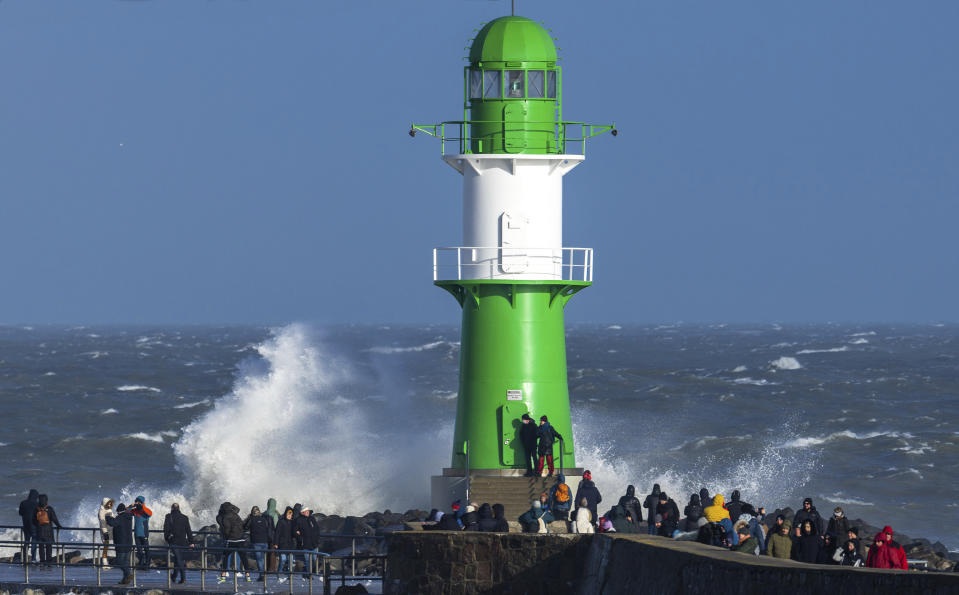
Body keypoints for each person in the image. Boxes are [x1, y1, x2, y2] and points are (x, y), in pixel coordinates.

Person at [217, 501, 250, 583]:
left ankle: (223, 576)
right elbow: (238, 509)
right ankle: (248, 576)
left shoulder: (225, 517)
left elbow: (226, 528)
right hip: (241, 539)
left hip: (231, 540)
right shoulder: (235, 514)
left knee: (225, 556)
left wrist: (227, 535)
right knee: (243, 557)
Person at [163, 503, 194, 584]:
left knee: (179, 559)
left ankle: (183, 577)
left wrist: (167, 539)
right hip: (183, 541)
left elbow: (166, 528)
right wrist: (191, 542)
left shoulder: (168, 516)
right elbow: (188, 530)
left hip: (173, 541)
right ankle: (174, 576)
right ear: (179, 508)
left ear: (172, 508)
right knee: (178, 558)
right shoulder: (184, 517)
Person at [244, 505, 274, 581]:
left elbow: (245, 527)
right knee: (263, 559)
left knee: (259, 559)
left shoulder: (251, 519)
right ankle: (263, 573)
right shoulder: (264, 519)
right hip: (265, 542)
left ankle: (262, 575)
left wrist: (248, 518)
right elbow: (268, 528)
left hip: (256, 542)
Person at [107, 503, 135, 585]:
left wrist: (107, 517)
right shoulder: (129, 517)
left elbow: (113, 523)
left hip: (121, 543)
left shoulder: (120, 517)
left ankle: (128, 573)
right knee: (125, 562)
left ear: (119, 511)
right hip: (129, 542)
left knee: (119, 561)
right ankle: (125, 580)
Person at [34, 494, 62, 569]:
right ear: (46, 500)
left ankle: (42, 562)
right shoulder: (49, 509)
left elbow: (33, 520)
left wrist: (37, 526)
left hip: (39, 531)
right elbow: (54, 519)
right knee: (49, 547)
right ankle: (49, 562)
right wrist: (59, 526)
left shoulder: (36, 509)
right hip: (48, 531)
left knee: (41, 548)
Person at [294, 506, 319, 578]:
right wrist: (300, 537)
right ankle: (309, 574)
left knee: (314, 559)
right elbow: (295, 531)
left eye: (308, 511)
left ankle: (311, 572)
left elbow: (317, 529)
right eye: (306, 511)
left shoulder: (312, 518)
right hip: (305, 543)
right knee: (308, 560)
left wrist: (317, 538)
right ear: (302, 512)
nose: (308, 512)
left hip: (314, 543)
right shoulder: (299, 520)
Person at [272, 506, 297, 576]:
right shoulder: (281, 521)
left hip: (290, 545)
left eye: (291, 514)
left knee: (291, 560)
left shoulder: (293, 523)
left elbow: (294, 533)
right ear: (286, 514)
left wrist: (297, 533)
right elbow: (277, 533)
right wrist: (276, 543)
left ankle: (290, 574)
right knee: (283, 559)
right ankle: (279, 572)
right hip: (282, 544)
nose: (289, 516)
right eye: (288, 514)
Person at [18, 489, 40, 565]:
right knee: (34, 542)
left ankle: (24, 558)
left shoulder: (23, 503)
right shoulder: (37, 504)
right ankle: (33, 559)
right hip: (34, 526)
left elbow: (20, 513)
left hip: (26, 525)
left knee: (26, 541)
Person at [130, 496, 153, 569]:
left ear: (142, 502)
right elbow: (126, 511)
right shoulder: (135, 511)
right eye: (136, 501)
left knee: (146, 549)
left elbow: (150, 513)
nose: (137, 503)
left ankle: (148, 563)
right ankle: (141, 562)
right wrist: (131, 505)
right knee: (139, 550)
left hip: (144, 533)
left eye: (138, 501)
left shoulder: (146, 511)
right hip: (136, 534)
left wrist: (141, 505)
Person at [97, 498, 114, 569]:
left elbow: (113, 518)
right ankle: (104, 564)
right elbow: (102, 523)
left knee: (108, 546)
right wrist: (105, 532)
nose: (110, 505)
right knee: (105, 547)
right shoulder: (101, 511)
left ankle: (106, 562)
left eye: (110, 503)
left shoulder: (109, 510)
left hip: (110, 530)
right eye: (108, 503)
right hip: (105, 532)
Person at [264, 498, 280, 572]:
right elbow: (276, 526)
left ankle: (266, 568)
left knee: (266, 553)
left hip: (264, 536)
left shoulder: (264, 513)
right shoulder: (274, 514)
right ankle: (271, 569)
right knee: (273, 553)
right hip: (272, 536)